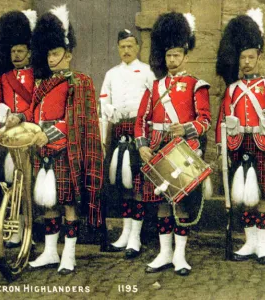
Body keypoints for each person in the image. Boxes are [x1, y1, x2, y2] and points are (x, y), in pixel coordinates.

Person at [6, 5, 103, 275]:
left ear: (68, 55)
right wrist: (17, 117)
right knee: (48, 204)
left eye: (56, 53)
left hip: (65, 149)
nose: (51, 59)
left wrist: (45, 133)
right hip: (42, 149)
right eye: (48, 53)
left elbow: (78, 122)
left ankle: (68, 255)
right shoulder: (40, 84)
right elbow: (31, 112)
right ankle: (50, 252)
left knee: (68, 203)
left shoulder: (79, 82)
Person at [134, 12, 211, 276]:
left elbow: (205, 121)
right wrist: (142, 145)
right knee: (162, 204)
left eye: (177, 55)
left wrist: (187, 128)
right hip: (156, 149)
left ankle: (180, 255)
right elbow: (141, 120)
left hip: (183, 149)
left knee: (180, 204)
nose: (172, 60)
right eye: (168, 55)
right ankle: (164, 253)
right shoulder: (154, 86)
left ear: (185, 56)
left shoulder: (196, 85)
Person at [216, 8, 265, 265]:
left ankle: (263, 246)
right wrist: (222, 147)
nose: (246, 62)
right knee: (244, 197)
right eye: (242, 57)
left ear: (259, 57)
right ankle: (248, 242)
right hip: (238, 145)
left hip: (262, 146)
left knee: (264, 197)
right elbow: (222, 120)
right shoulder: (232, 90)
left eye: (251, 57)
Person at [99, 29, 154, 258]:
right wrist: (105, 132)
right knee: (123, 184)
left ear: (138, 47)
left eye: (130, 46)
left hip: (139, 131)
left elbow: (154, 102)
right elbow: (104, 101)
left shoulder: (147, 72)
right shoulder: (111, 73)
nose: (126, 50)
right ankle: (125, 232)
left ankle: (136, 237)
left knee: (138, 185)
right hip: (119, 130)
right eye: (122, 46)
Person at [0, 9, 37, 248]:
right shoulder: (5, 77)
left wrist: (22, 116)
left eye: (20, 51)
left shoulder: (37, 77)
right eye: (13, 51)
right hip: (9, 139)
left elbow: (38, 104)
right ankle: (15, 229)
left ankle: (31, 228)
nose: (16, 55)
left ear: (29, 53)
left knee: (29, 186)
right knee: (11, 184)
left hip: (30, 136)